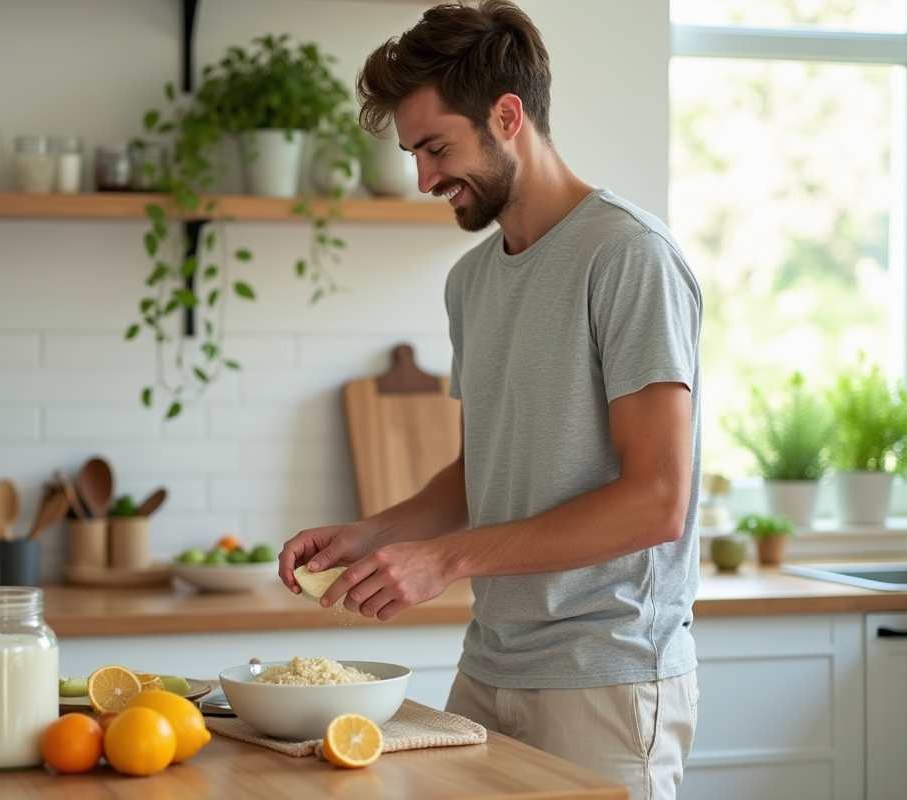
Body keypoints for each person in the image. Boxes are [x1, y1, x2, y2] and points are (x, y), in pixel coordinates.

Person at [278, 2, 701, 797]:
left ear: (507, 117)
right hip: (490, 668)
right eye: (412, 153)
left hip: (604, 681)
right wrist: (371, 535)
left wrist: (444, 560)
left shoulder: (629, 257)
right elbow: (483, 474)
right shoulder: (470, 283)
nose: (423, 177)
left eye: (436, 147)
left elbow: (656, 501)